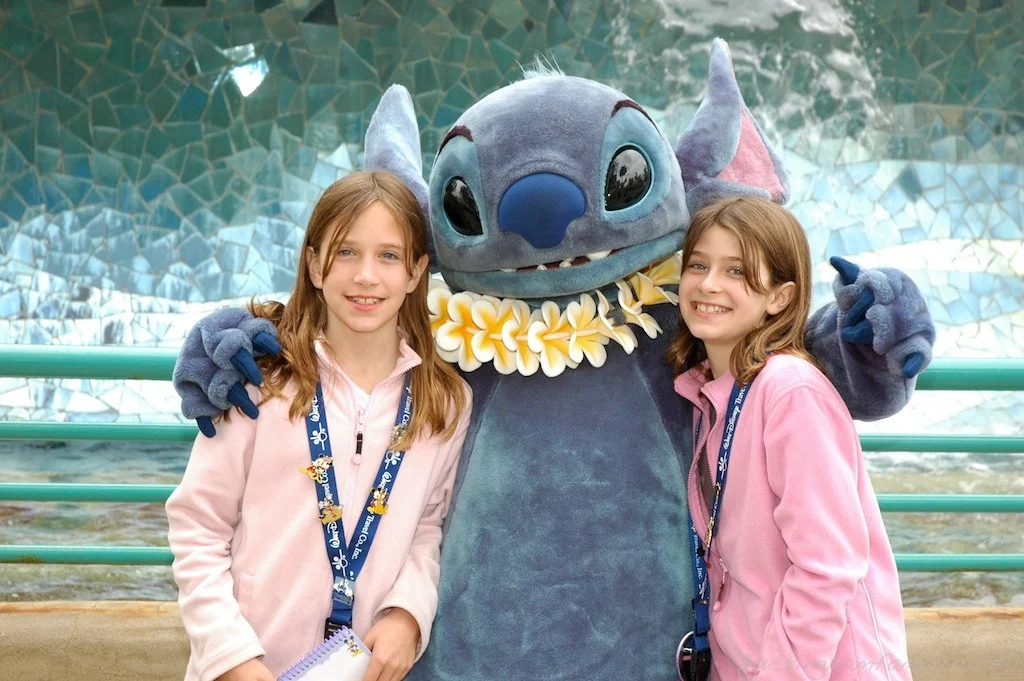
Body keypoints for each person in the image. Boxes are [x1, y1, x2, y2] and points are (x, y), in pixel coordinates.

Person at [166, 170, 472, 681]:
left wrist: (406, 613)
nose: (366, 276)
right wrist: (230, 657)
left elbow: (429, 528)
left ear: (417, 271)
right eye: (346, 252)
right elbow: (199, 527)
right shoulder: (257, 380)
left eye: (389, 255)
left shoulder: (444, 402)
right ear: (313, 264)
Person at [669, 196, 912, 681]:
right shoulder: (706, 394)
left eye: (737, 271)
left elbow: (828, 567)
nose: (709, 283)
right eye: (698, 264)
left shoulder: (790, 391)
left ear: (779, 298)